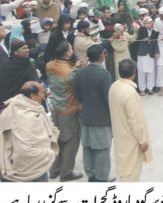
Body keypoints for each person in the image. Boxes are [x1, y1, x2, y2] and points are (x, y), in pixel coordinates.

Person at [0, 82, 59, 182]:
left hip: (31, 166)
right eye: (42, 92)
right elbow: (24, 151)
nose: (44, 95)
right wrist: (49, 154)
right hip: (30, 171)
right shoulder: (26, 117)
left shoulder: (17, 105)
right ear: (33, 96)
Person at [72, 44, 114, 182]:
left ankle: (91, 174)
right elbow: (108, 98)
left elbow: (77, 94)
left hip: (85, 116)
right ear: (101, 56)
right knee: (102, 149)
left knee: (88, 147)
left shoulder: (79, 73)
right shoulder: (104, 75)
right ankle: (102, 177)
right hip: (101, 118)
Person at [46, 41, 85, 181]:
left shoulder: (49, 65)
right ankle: (66, 172)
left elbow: (63, 75)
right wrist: (77, 68)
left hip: (55, 108)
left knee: (56, 139)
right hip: (69, 109)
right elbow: (75, 84)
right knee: (70, 141)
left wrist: (75, 67)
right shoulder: (71, 72)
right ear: (67, 52)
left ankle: (54, 169)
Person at [108, 59, 152, 181]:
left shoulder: (114, 86)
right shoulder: (130, 92)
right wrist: (142, 140)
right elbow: (135, 120)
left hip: (120, 137)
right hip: (131, 141)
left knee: (124, 171)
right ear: (134, 72)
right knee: (131, 175)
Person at [136, 17, 158, 95]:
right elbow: (142, 35)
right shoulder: (142, 30)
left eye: (150, 23)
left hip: (150, 54)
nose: (148, 25)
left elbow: (155, 41)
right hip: (142, 53)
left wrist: (156, 52)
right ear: (144, 23)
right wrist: (146, 38)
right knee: (141, 72)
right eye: (147, 23)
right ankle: (142, 89)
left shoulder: (154, 32)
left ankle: (150, 88)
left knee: (151, 71)